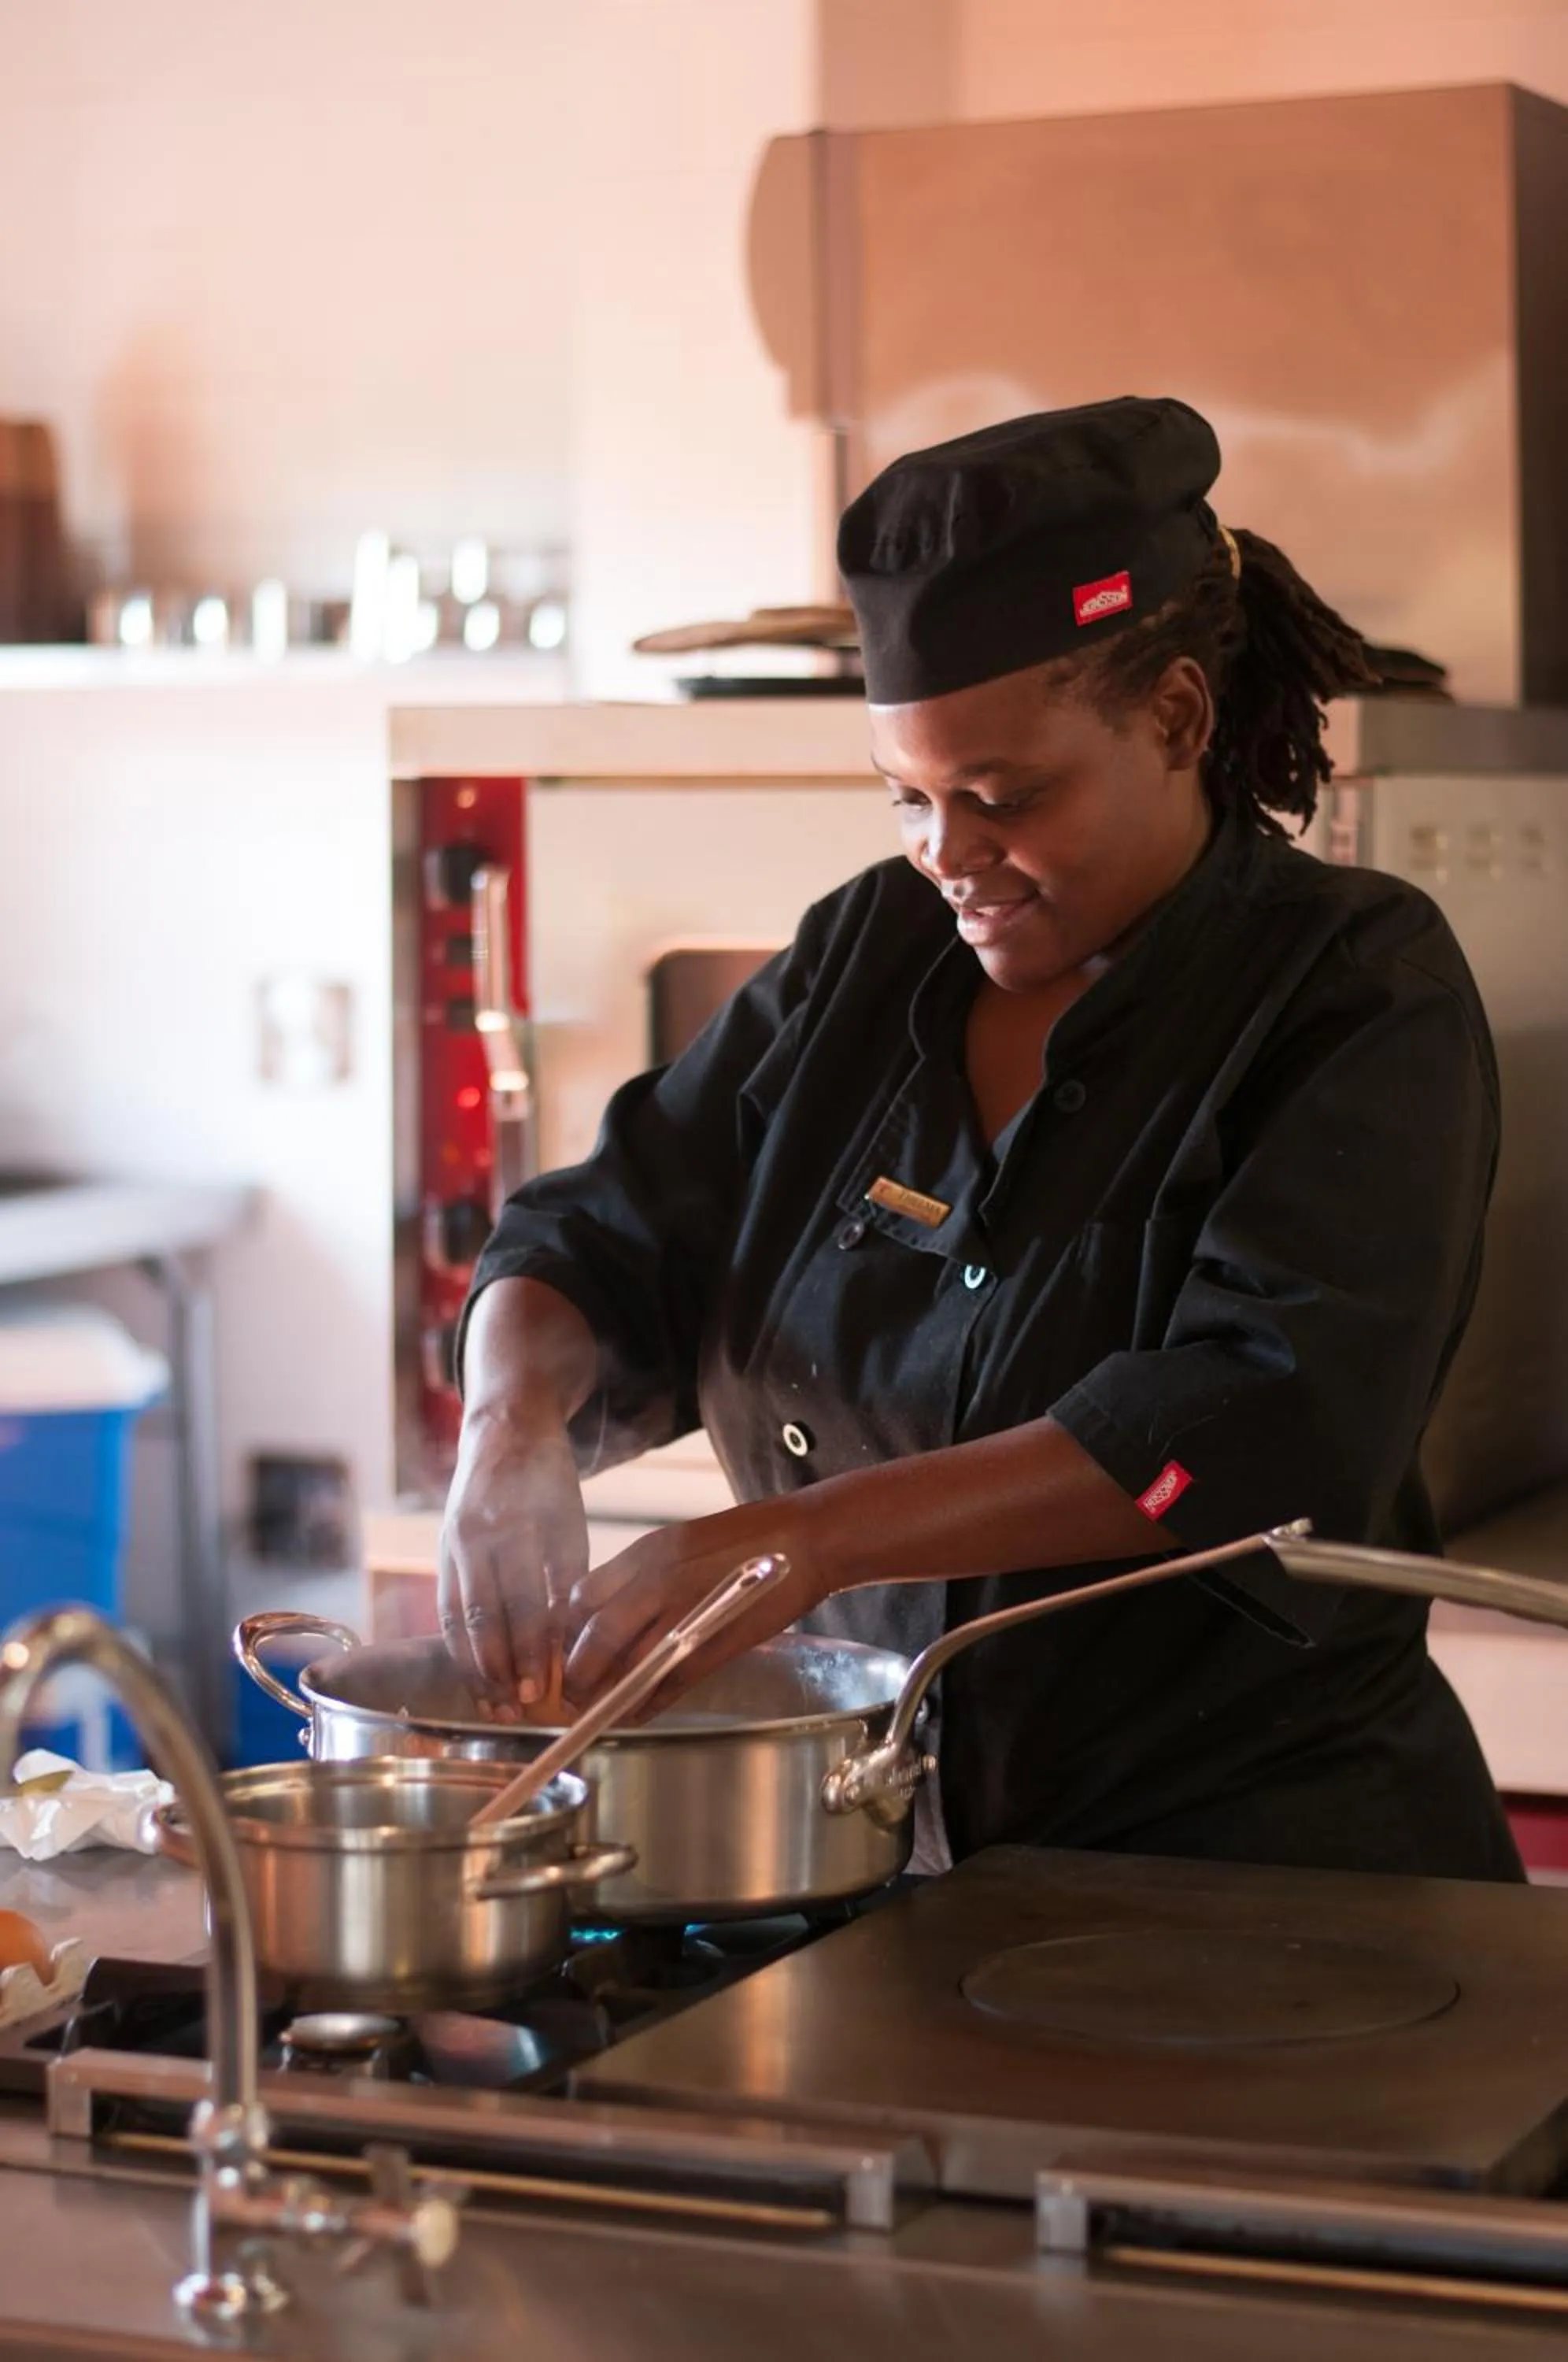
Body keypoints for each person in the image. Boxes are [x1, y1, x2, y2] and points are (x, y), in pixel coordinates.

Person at [440, 395, 1522, 1883]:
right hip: (900, 1874)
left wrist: (812, 1539)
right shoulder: (867, 957)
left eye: (1004, 798)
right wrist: (509, 1423)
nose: (948, 855)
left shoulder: (1350, 988)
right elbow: (603, 1235)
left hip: (1265, 1890)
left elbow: (1257, 1416)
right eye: (909, 799)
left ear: (1180, 719)